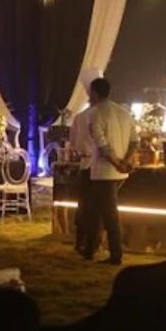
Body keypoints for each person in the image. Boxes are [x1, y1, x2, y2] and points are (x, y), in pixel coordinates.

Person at [87, 76, 137, 266]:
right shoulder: (124, 112)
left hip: (104, 172)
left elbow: (103, 146)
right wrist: (126, 160)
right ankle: (90, 249)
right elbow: (134, 141)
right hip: (120, 172)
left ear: (94, 93)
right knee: (97, 211)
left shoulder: (96, 113)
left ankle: (116, 254)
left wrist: (116, 163)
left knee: (109, 214)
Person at [67, 66, 101, 258]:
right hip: (102, 166)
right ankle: (93, 244)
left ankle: (80, 242)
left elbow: (73, 144)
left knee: (84, 207)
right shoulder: (108, 114)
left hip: (85, 165)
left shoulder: (79, 117)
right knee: (97, 209)